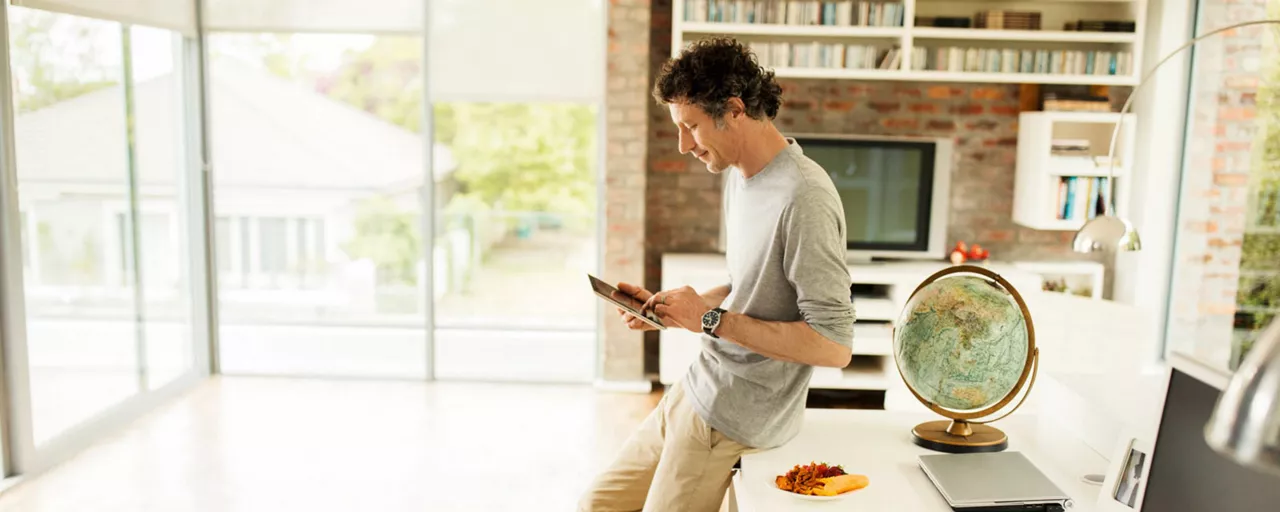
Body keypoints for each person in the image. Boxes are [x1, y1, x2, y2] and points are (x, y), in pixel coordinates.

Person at [578, 37, 856, 512]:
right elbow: (748, 284)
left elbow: (834, 345)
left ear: (734, 110)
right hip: (696, 387)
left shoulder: (804, 197)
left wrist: (707, 321)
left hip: (734, 419)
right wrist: (673, 312)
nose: (684, 145)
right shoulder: (743, 176)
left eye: (691, 127)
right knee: (596, 505)